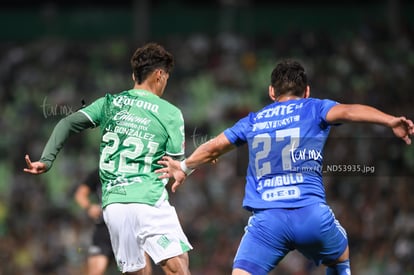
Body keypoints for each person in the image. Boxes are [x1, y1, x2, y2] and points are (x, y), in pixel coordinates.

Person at [156, 59, 414, 275]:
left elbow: (213, 147)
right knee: (340, 255)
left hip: (267, 222)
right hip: (312, 215)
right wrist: (390, 120)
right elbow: (349, 111)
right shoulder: (315, 108)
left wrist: (185, 166)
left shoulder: (254, 120)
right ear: (307, 91)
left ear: (271, 92)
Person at [24, 42, 192, 275]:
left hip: (113, 206)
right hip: (148, 200)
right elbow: (176, 165)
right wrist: (197, 162)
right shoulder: (170, 113)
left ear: (134, 75)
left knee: (138, 271)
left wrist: (47, 159)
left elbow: (67, 123)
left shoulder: (110, 103)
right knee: (178, 266)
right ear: (160, 74)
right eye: (167, 77)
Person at [74, 169, 153, 275]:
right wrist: (89, 207)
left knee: (142, 270)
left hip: (131, 227)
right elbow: (80, 194)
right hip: (104, 229)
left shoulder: (134, 169)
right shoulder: (100, 171)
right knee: (96, 270)